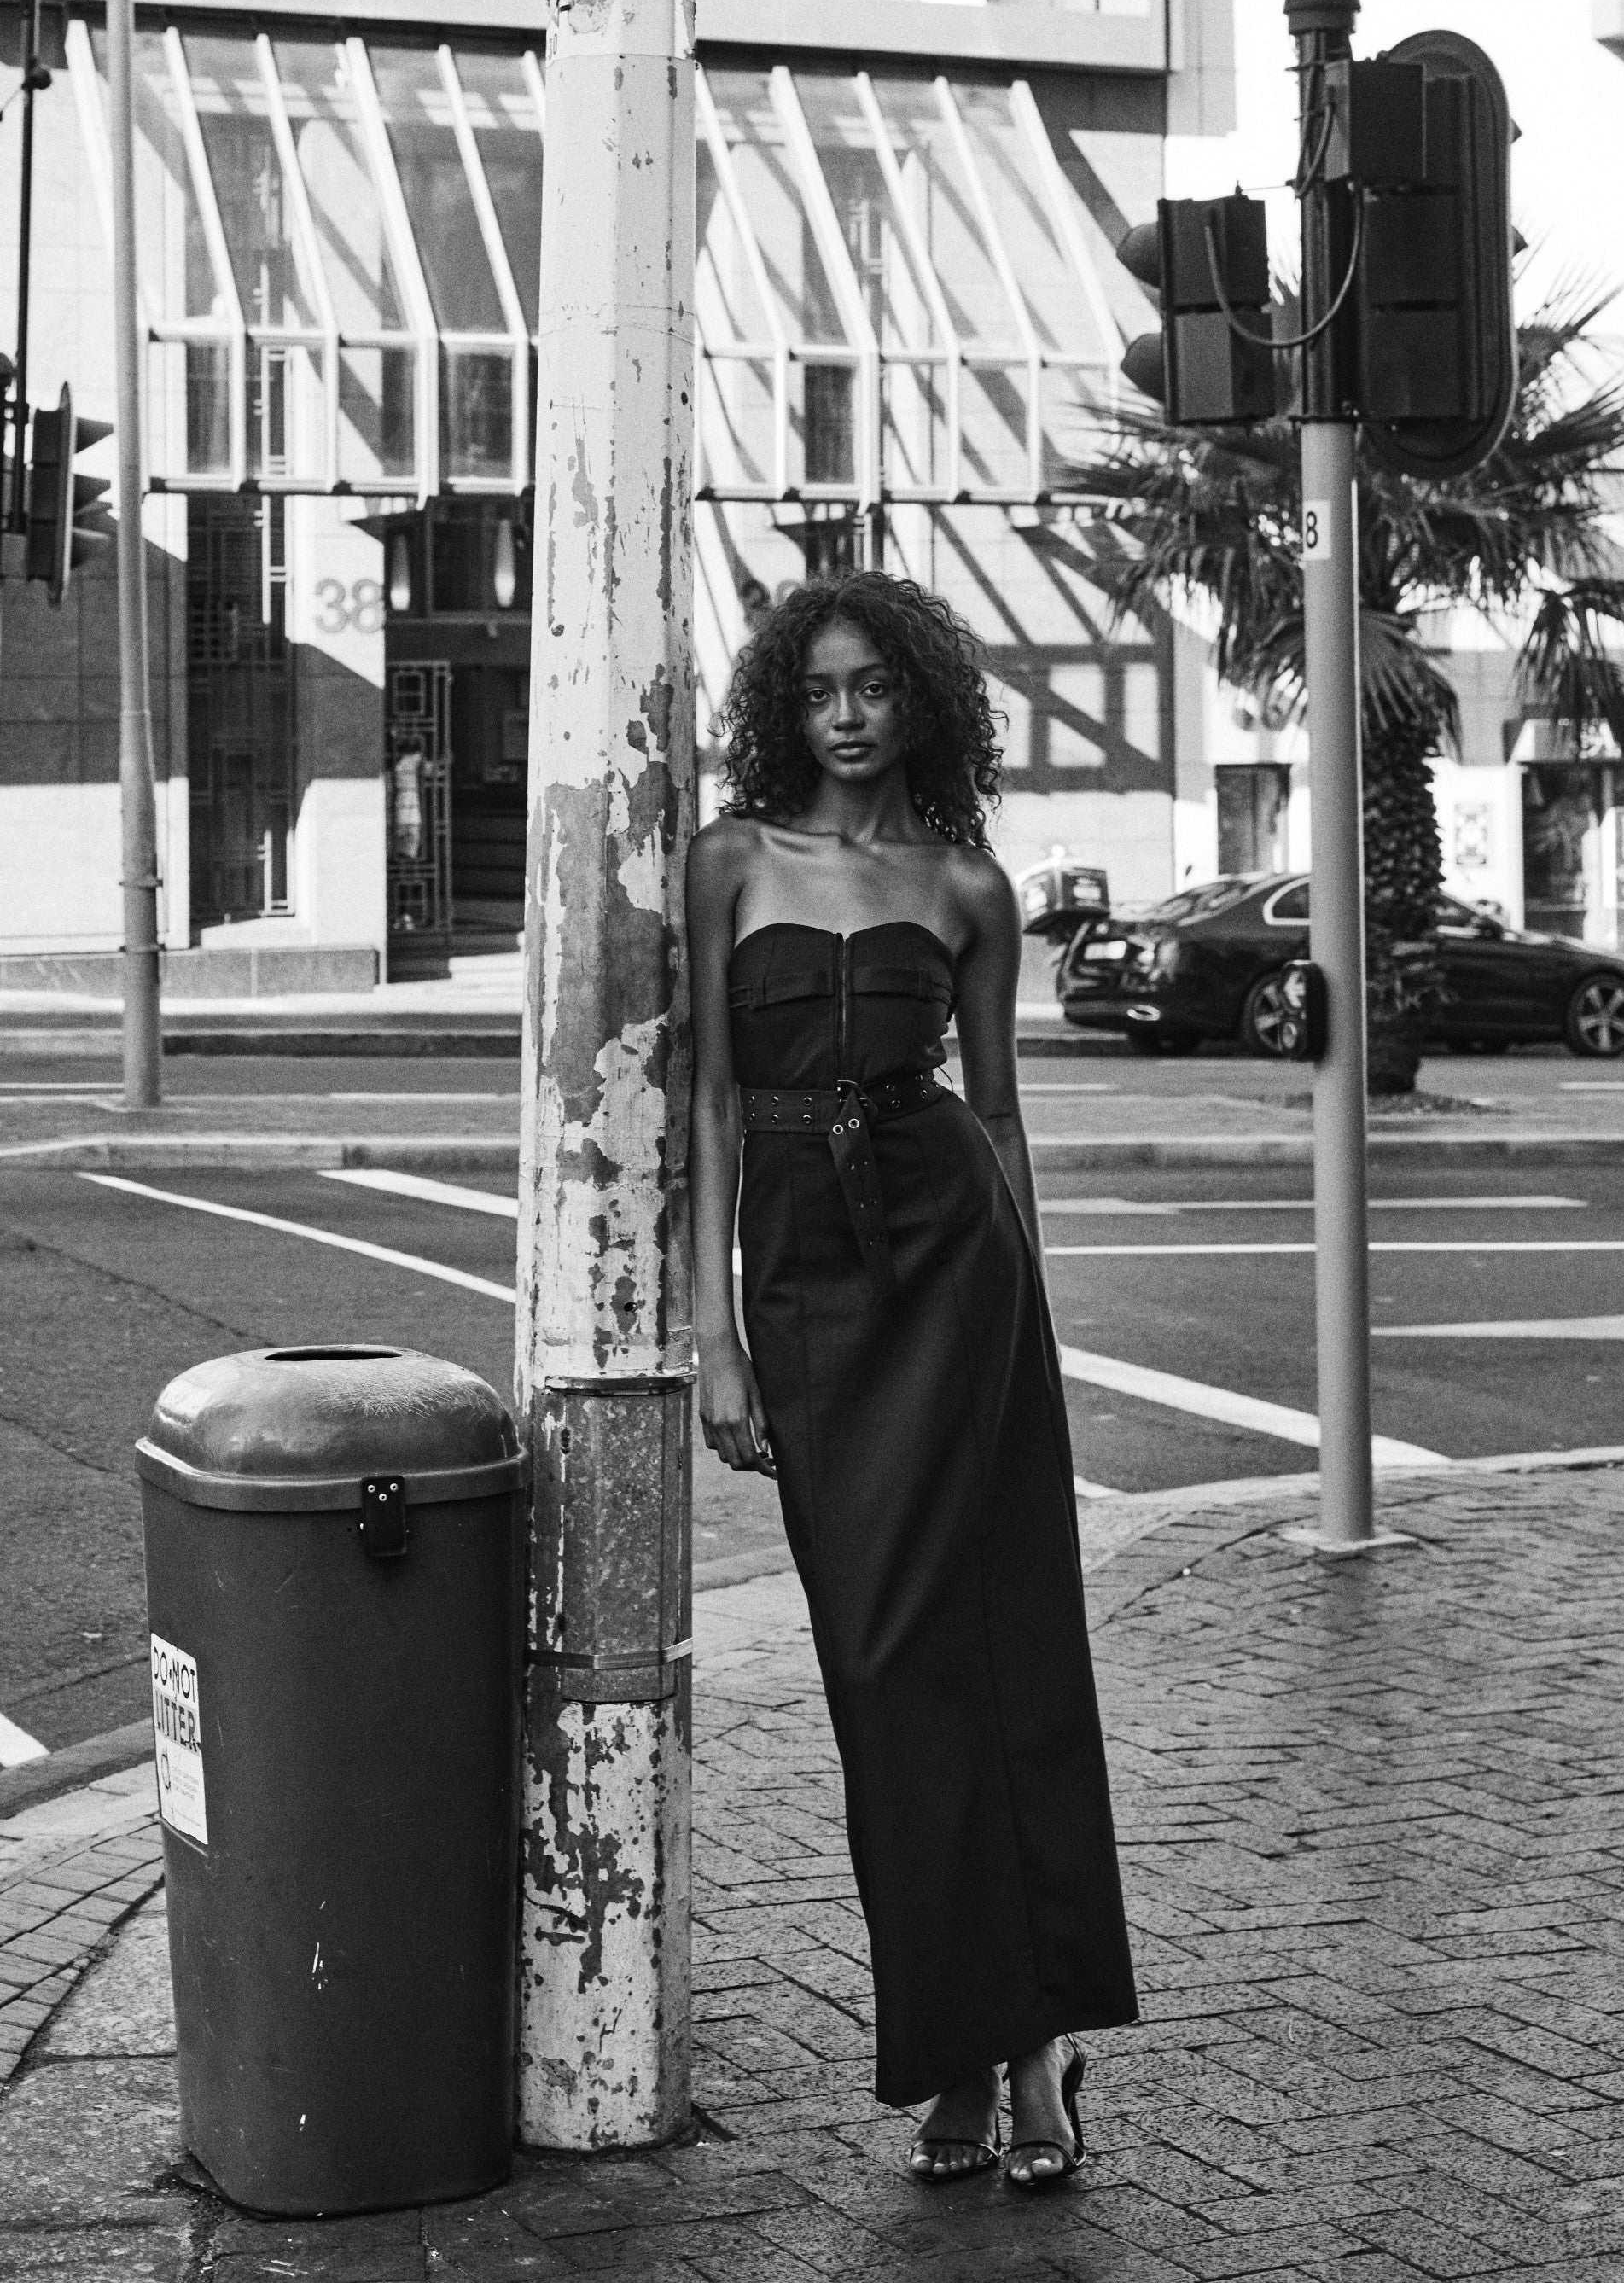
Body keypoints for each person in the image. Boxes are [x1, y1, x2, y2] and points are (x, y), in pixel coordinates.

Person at [686, 571, 1138, 2192]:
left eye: (873, 683)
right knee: (881, 1669)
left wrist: (1030, 1313)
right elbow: (714, 1115)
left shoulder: (965, 885)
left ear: (918, 698)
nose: (847, 711)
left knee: (1000, 1647)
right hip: (806, 1286)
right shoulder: (728, 861)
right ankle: (959, 2026)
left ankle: (1014, 2055)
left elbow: (999, 1113)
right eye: (818, 689)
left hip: (959, 1271)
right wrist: (717, 1333)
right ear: (782, 709)